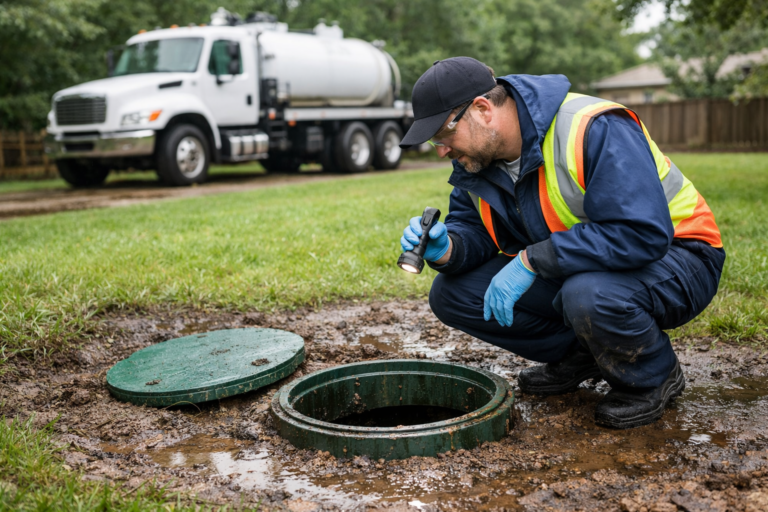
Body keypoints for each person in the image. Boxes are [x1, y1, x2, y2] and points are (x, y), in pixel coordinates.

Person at [398, 57, 725, 429]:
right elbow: (474, 230)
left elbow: (641, 232)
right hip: (584, 264)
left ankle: (652, 376)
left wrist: (532, 261)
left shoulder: (593, 127)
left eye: (443, 135)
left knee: (588, 294)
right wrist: (448, 248)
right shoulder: (477, 161)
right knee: (452, 294)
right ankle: (586, 353)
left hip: (681, 255)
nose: (441, 150)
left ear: (482, 109)